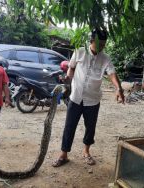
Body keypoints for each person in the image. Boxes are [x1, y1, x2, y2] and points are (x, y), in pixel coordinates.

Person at [52, 28, 125, 167]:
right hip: (75, 97)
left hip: (93, 100)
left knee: (90, 128)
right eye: (100, 43)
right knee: (69, 126)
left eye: (104, 44)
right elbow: (71, 67)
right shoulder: (79, 51)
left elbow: (112, 74)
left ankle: (86, 152)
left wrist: (118, 88)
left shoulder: (105, 58)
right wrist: (68, 77)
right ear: (92, 41)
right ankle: (64, 154)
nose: (102, 47)